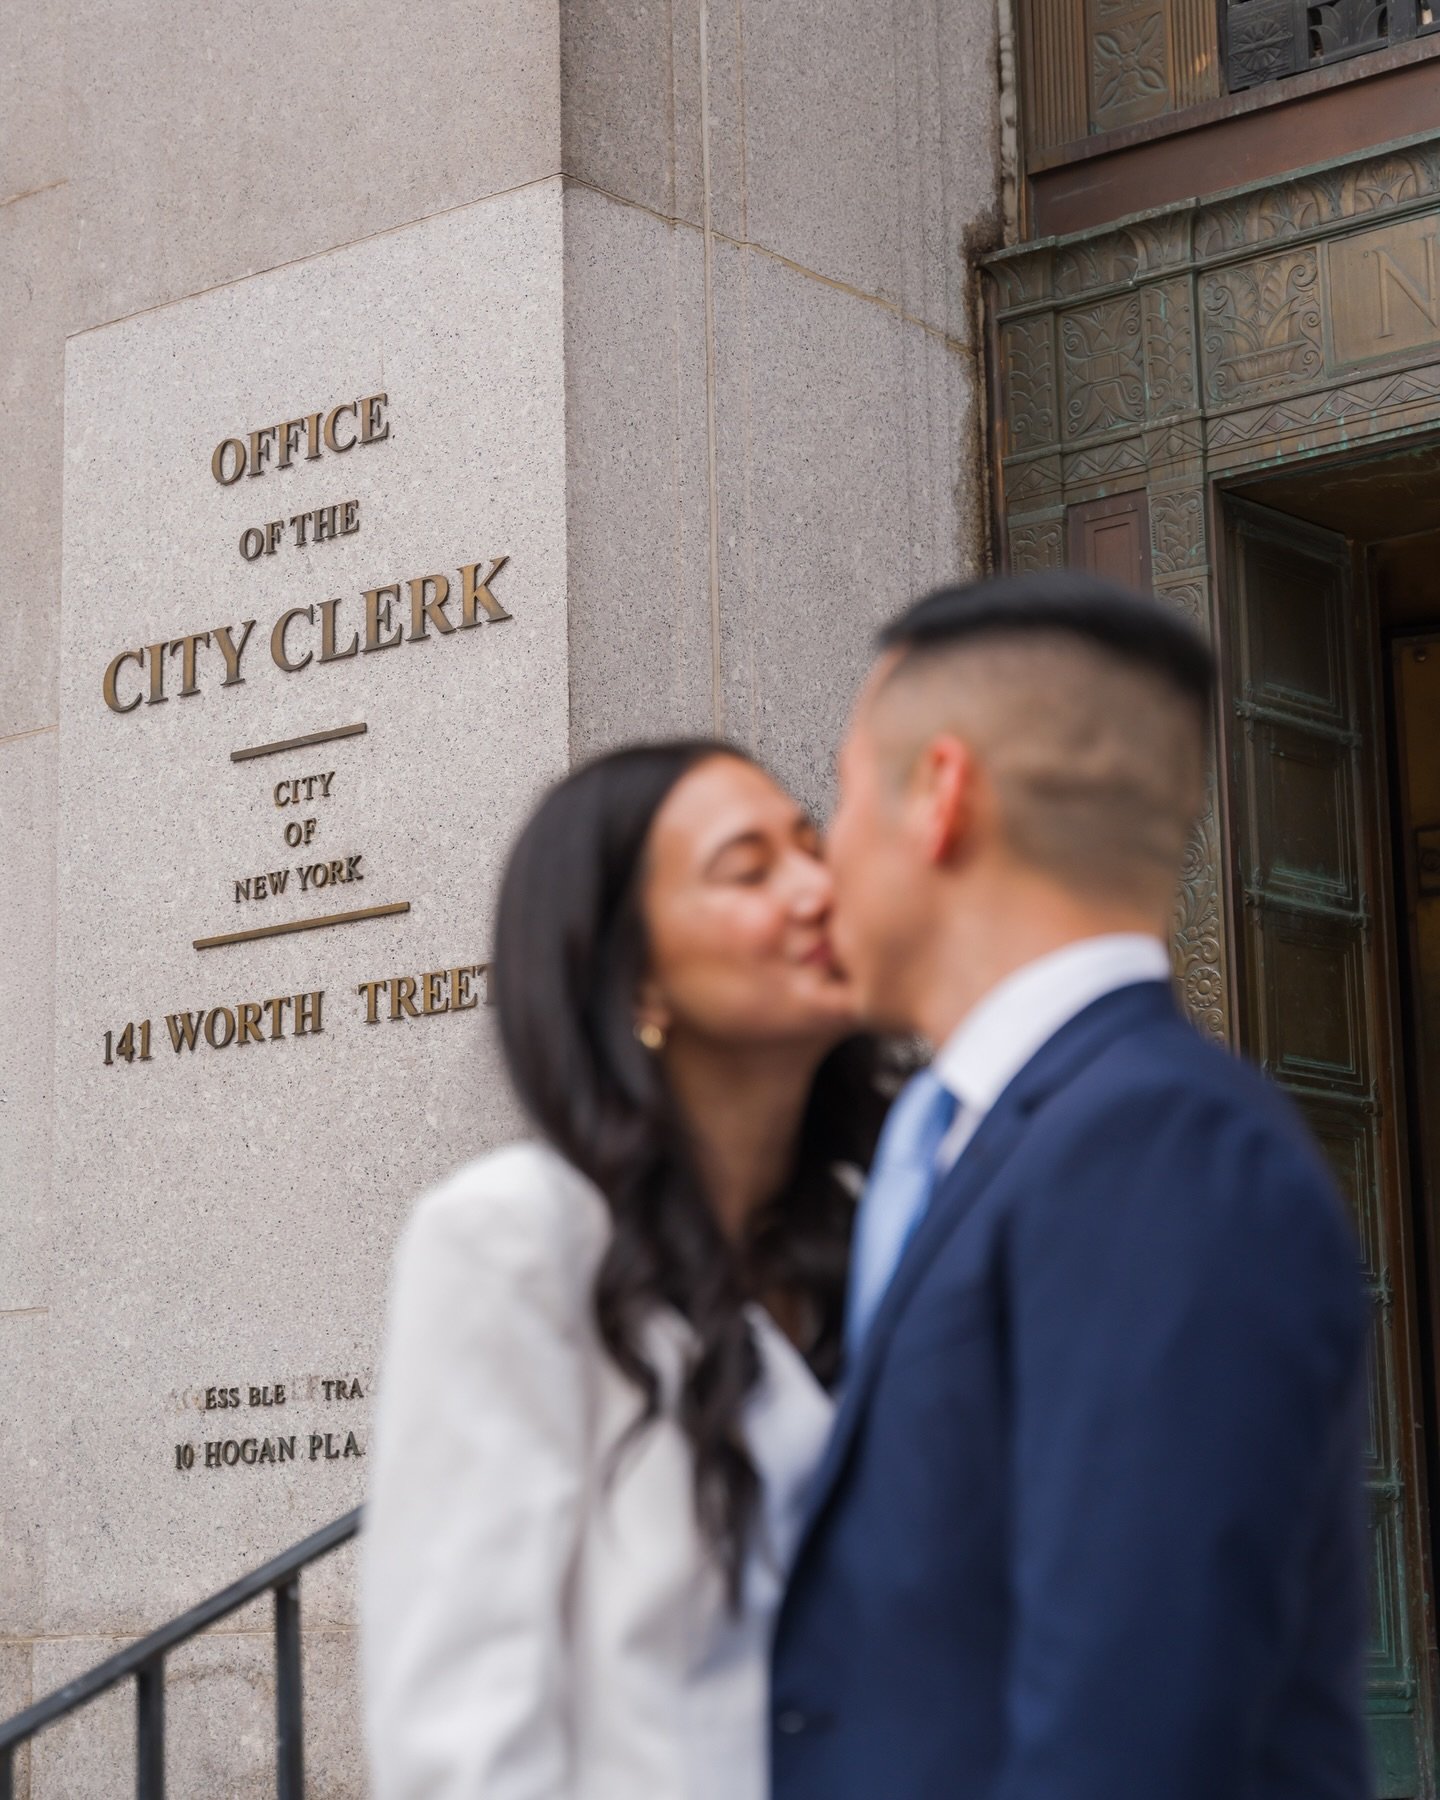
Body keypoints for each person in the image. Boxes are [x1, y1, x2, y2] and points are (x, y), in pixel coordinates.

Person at [772, 572, 1371, 1799]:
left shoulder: (1161, 1151)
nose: (821, 863)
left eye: (835, 798)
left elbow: (1130, 1737)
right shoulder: (964, 1139)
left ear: (939, 795)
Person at [361, 741, 885, 1800]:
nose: (816, 890)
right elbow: (460, 1734)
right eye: (749, 869)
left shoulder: (880, 1227)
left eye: (812, 846)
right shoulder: (517, 1237)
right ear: (632, 970)